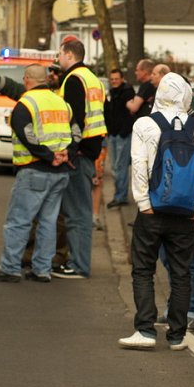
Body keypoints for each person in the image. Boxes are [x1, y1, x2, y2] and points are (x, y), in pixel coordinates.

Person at [118, 73, 194, 350]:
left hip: (152, 211)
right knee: (181, 273)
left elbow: (138, 164)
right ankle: (177, 336)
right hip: (185, 213)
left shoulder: (145, 124)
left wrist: (143, 203)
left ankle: (145, 331)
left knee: (143, 269)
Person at [0, 65, 78, 283]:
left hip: (34, 170)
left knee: (19, 221)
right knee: (48, 221)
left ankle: (10, 268)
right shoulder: (62, 103)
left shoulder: (25, 104)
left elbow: (26, 134)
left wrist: (47, 155)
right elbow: (76, 131)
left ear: (27, 80)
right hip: (60, 173)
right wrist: (66, 153)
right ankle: (42, 269)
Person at [52, 37, 107, 279]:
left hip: (80, 151)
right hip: (91, 148)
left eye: (60, 54)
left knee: (76, 213)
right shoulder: (92, 78)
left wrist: (70, 151)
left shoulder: (73, 80)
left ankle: (78, 265)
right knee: (79, 211)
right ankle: (76, 262)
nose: (58, 58)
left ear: (69, 55)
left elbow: (75, 118)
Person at [104, 68, 135, 209]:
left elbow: (131, 114)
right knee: (115, 167)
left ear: (122, 79)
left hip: (123, 136)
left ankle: (120, 196)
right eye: (112, 79)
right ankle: (119, 194)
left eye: (116, 79)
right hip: (112, 135)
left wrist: (123, 132)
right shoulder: (110, 93)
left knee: (121, 167)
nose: (114, 81)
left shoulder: (127, 92)